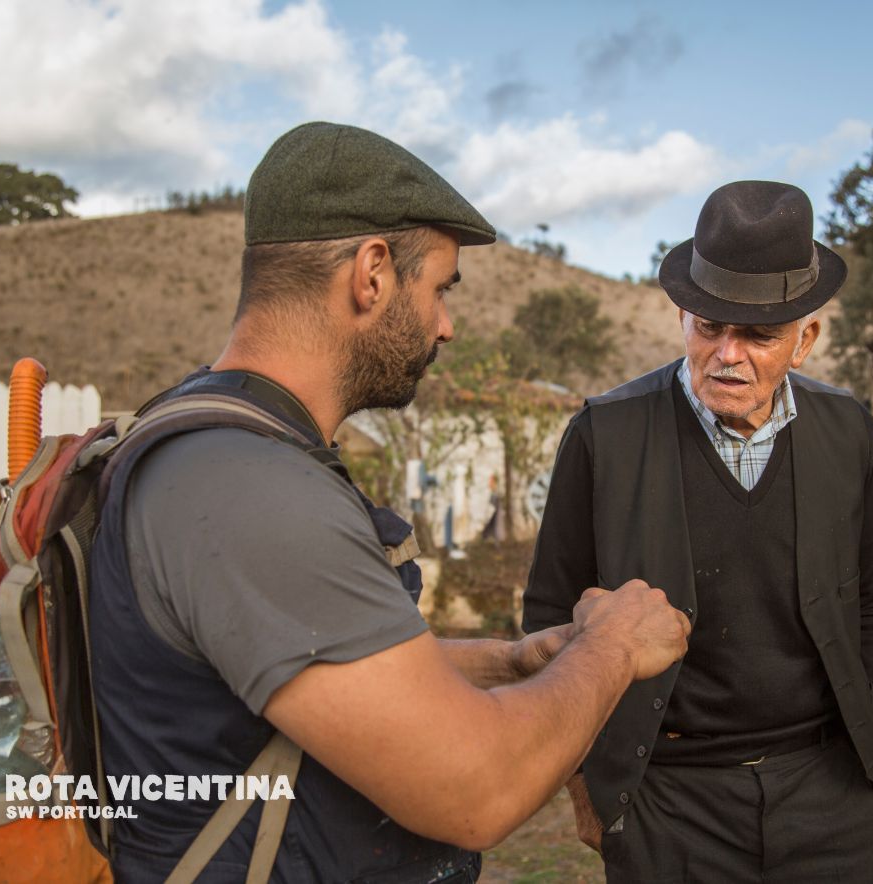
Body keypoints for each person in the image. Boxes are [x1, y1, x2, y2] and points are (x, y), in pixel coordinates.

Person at [87, 122, 691, 882]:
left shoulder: (222, 444)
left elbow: (327, 677)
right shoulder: (250, 489)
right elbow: (478, 789)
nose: (446, 325)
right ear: (372, 274)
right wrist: (614, 646)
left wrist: (510, 661)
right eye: (440, 287)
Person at [522, 181, 873, 882]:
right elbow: (549, 617)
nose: (727, 354)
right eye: (708, 326)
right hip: (668, 798)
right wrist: (585, 787)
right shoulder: (604, 434)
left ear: (805, 340)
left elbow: (872, 597)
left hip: (832, 793)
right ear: (681, 316)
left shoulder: (849, 432)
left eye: (758, 335)